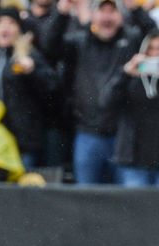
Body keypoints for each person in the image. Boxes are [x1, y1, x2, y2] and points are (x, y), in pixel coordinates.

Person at [44, 0, 155, 184]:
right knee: (86, 198)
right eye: (102, 11)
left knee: (126, 202)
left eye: (113, 11)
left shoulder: (131, 39)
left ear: (121, 16)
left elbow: (152, 35)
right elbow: (49, 48)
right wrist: (62, 13)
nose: (107, 17)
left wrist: (135, 9)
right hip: (87, 133)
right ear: (93, 15)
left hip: (122, 137)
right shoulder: (79, 41)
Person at [0, 7, 58, 169]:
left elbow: (52, 88)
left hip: (23, 141)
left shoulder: (30, 56)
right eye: (0, 22)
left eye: (11, 23)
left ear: (19, 29)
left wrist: (32, 72)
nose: (5, 27)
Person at [101, 30, 159, 186]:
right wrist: (125, 72)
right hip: (134, 159)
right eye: (151, 49)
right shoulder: (130, 78)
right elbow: (105, 101)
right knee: (135, 208)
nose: (154, 54)